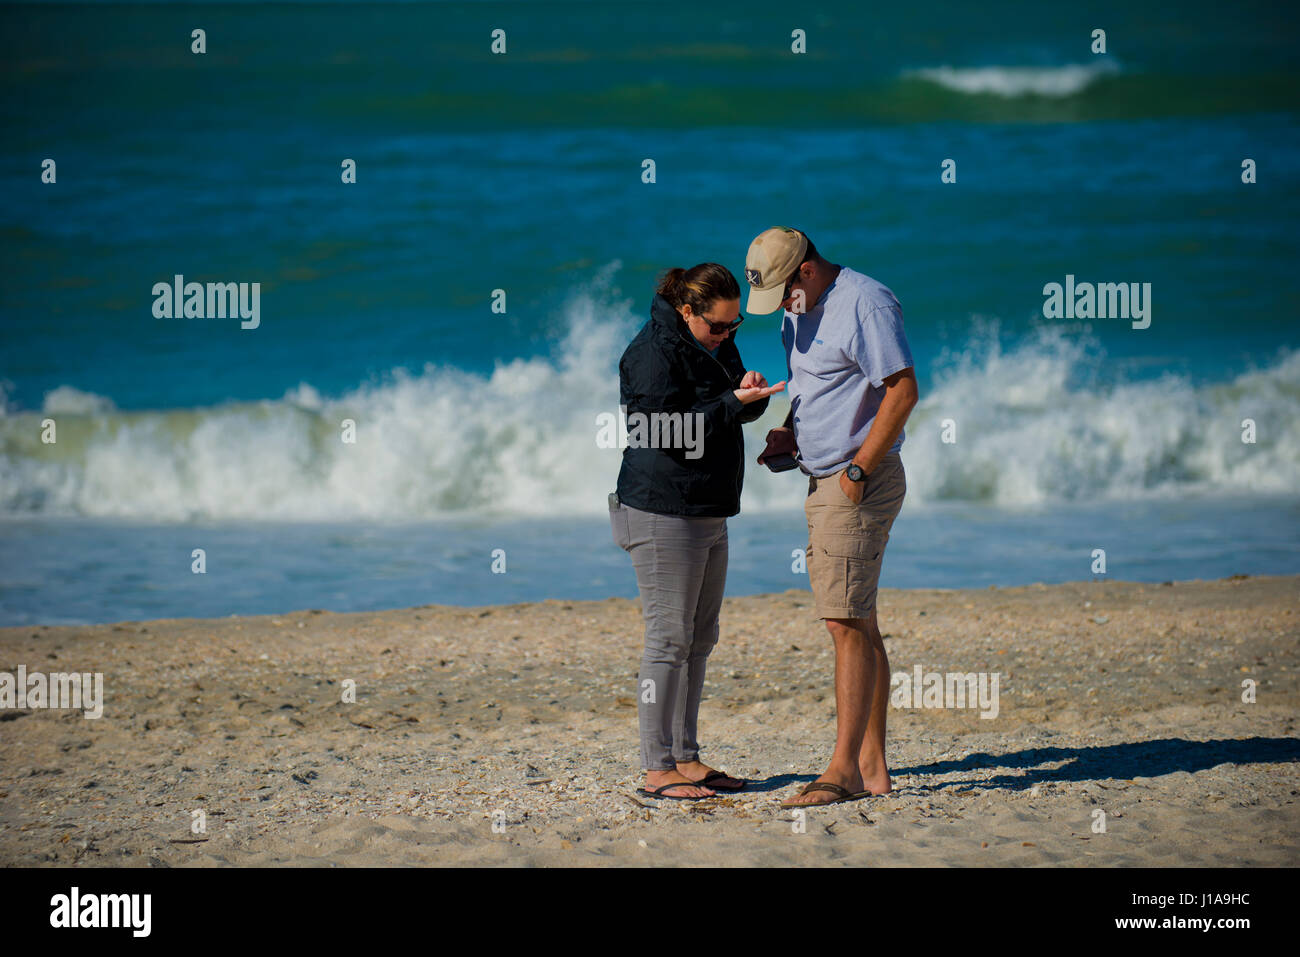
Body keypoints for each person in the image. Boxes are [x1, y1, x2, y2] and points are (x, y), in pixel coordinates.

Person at [747, 227, 919, 807]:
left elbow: (901, 391)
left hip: (855, 483)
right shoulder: (798, 309)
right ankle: (872, 766)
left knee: (844, 623)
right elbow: (815, 385)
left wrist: (857, 471)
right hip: (819, 478)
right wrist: (789, 434)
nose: (782, 307)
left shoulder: (866, 302)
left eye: (783, 292)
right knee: (856, 621)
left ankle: (842, 770)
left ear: (807, 270)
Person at [610, 263, 785, 800]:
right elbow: (656, 431)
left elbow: (723, 415)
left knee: (700, 639)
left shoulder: (714, 339)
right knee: (667, 640)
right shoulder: (650, 354)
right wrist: (734, 403)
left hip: (709, 507)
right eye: (719, 327)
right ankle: (656, 767)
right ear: (688, 312)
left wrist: (749, 398)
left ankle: (685, 757)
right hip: (662, 509)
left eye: (736, 327)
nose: (729, 335)